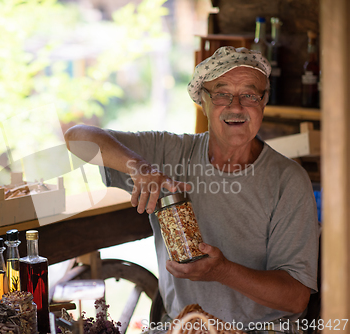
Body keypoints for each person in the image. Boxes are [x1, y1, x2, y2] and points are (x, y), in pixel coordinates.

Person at [64, 46, 319, 330]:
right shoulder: (169, 153)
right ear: (203, 102)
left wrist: (223, 271)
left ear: (264, 101)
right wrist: (141, 168)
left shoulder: (288, 181)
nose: (236, 106)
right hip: (184, 326)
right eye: (222, 94)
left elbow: (296, 298)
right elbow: (77, 137)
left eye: (249, 94)